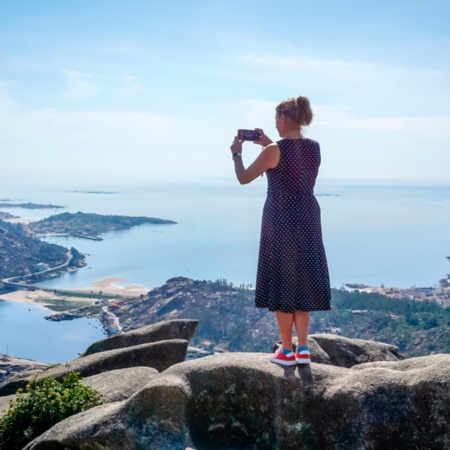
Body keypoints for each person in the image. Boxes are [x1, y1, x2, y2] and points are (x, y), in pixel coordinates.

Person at [230, 95, 331, 366]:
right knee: (303, 282)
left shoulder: (274, 150)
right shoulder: (315, 147)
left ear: (284, 117)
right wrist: (268, 144)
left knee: (283, 284)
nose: (275, 123)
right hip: (308, 218)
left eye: (276, 118)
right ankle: (304, 349)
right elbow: (292, 164)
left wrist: (236, 152)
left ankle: (286, 352)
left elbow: (243, 177)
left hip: (281, 221)